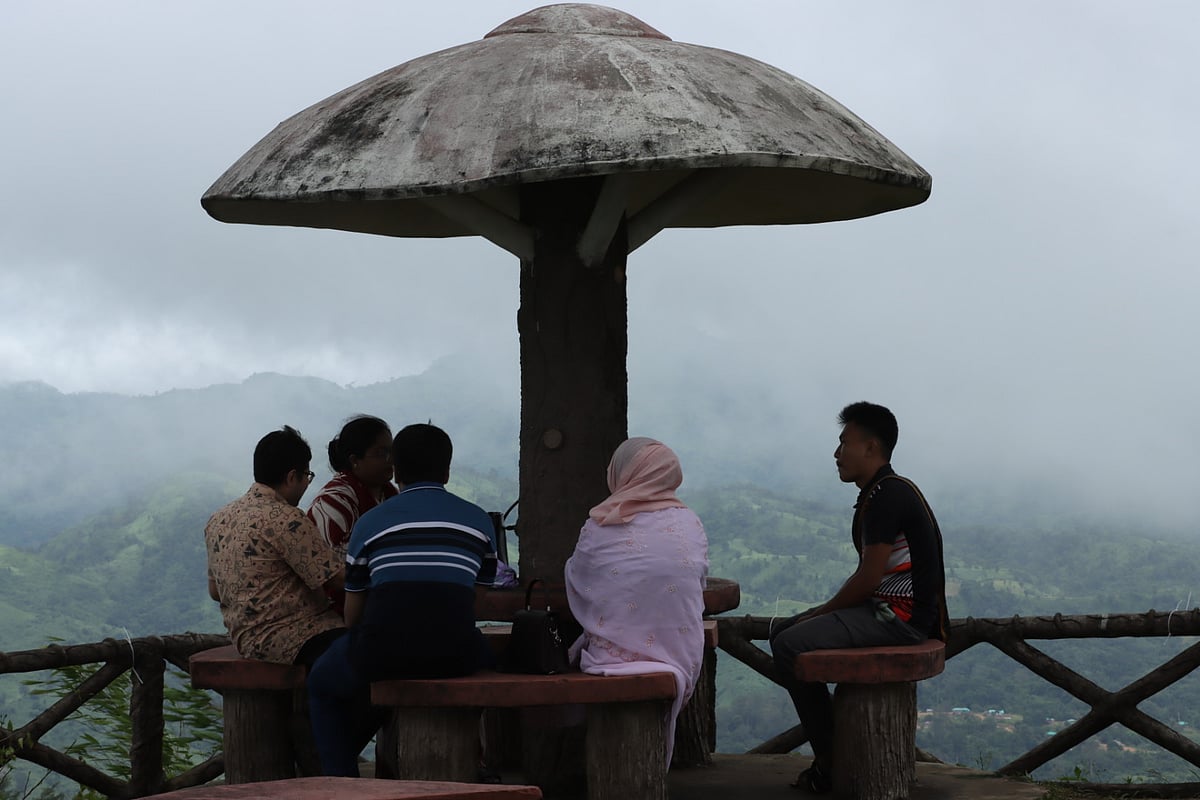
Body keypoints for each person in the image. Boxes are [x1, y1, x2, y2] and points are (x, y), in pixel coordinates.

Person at [769, 402, 948, 793]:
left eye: (843, 443)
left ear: (871, 447)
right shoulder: (885, 491)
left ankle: (831, 762)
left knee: (787, 643)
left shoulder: (885, 495)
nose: (836, 454)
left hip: (899, 620)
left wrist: (817, 613)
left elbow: (868, 579)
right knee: (783, 632)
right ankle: (837, 752)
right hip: (891, 612)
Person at [306, 422, 499, 777]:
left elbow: (352, 618)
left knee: (321, 683)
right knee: (495, 657)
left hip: (382, 654)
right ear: (447, 469)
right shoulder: (479, 523)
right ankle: (481, 766)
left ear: (396, 469)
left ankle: (341, 782)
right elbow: (476, 604)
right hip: (456, 653)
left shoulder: (370, 524)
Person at [564, 437, 710, 767]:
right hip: (680, 653)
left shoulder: (600, 522)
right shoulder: (690, 523)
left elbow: (579, 579)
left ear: (622, 473)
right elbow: (696, 583)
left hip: (610, 657)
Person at [205, 425, 346, 670]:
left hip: (245, 640)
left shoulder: (218, 519)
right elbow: (337, 579)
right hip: (298, 637)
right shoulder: (287, 518)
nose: (306, 484)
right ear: (292, 476)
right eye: (307, 475)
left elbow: (215, 591)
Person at [307, 415, 399, 613]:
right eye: (381, 453)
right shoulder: (333, 501)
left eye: (392, 452)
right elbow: (336, 572)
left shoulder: (390, 494)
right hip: (337, 610)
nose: (390, 460)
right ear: (355, 460)